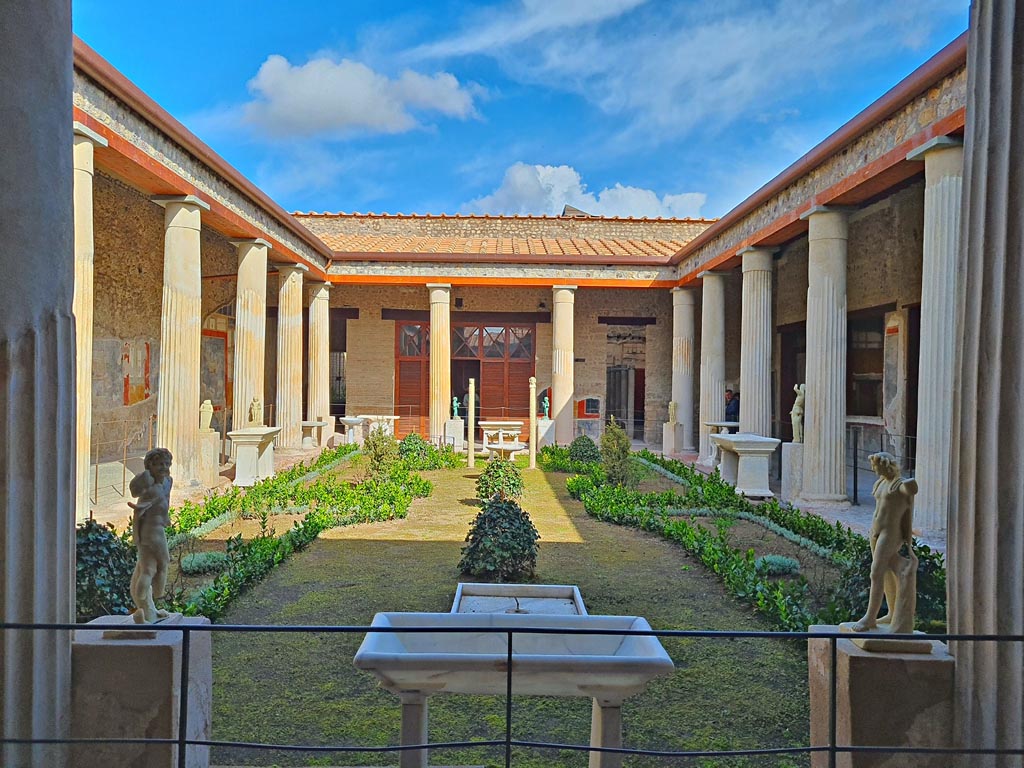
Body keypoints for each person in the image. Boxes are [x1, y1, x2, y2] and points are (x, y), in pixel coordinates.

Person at [850, 452, 919, 634]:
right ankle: (891, 612)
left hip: (891, 534)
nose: (875, 470)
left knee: (876, 572)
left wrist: (910, 482)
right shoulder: (881, 482)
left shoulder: (900, 485)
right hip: (876, 532)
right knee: (887, 572)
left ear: (887, 465)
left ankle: (870, 618)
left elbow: (912, 489)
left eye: (877, 467)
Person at [128, 447, 173, 624]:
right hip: (151, 532)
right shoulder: (152, 489)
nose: (164, 467)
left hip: (157, 529)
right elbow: (139, 510)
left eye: (166, 463)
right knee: (158, 565)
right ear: (150, 467)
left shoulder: (167, 482)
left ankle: (149, 608)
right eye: (159, 464)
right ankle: (151, 600)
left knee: (148, 568)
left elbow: (165, 502)